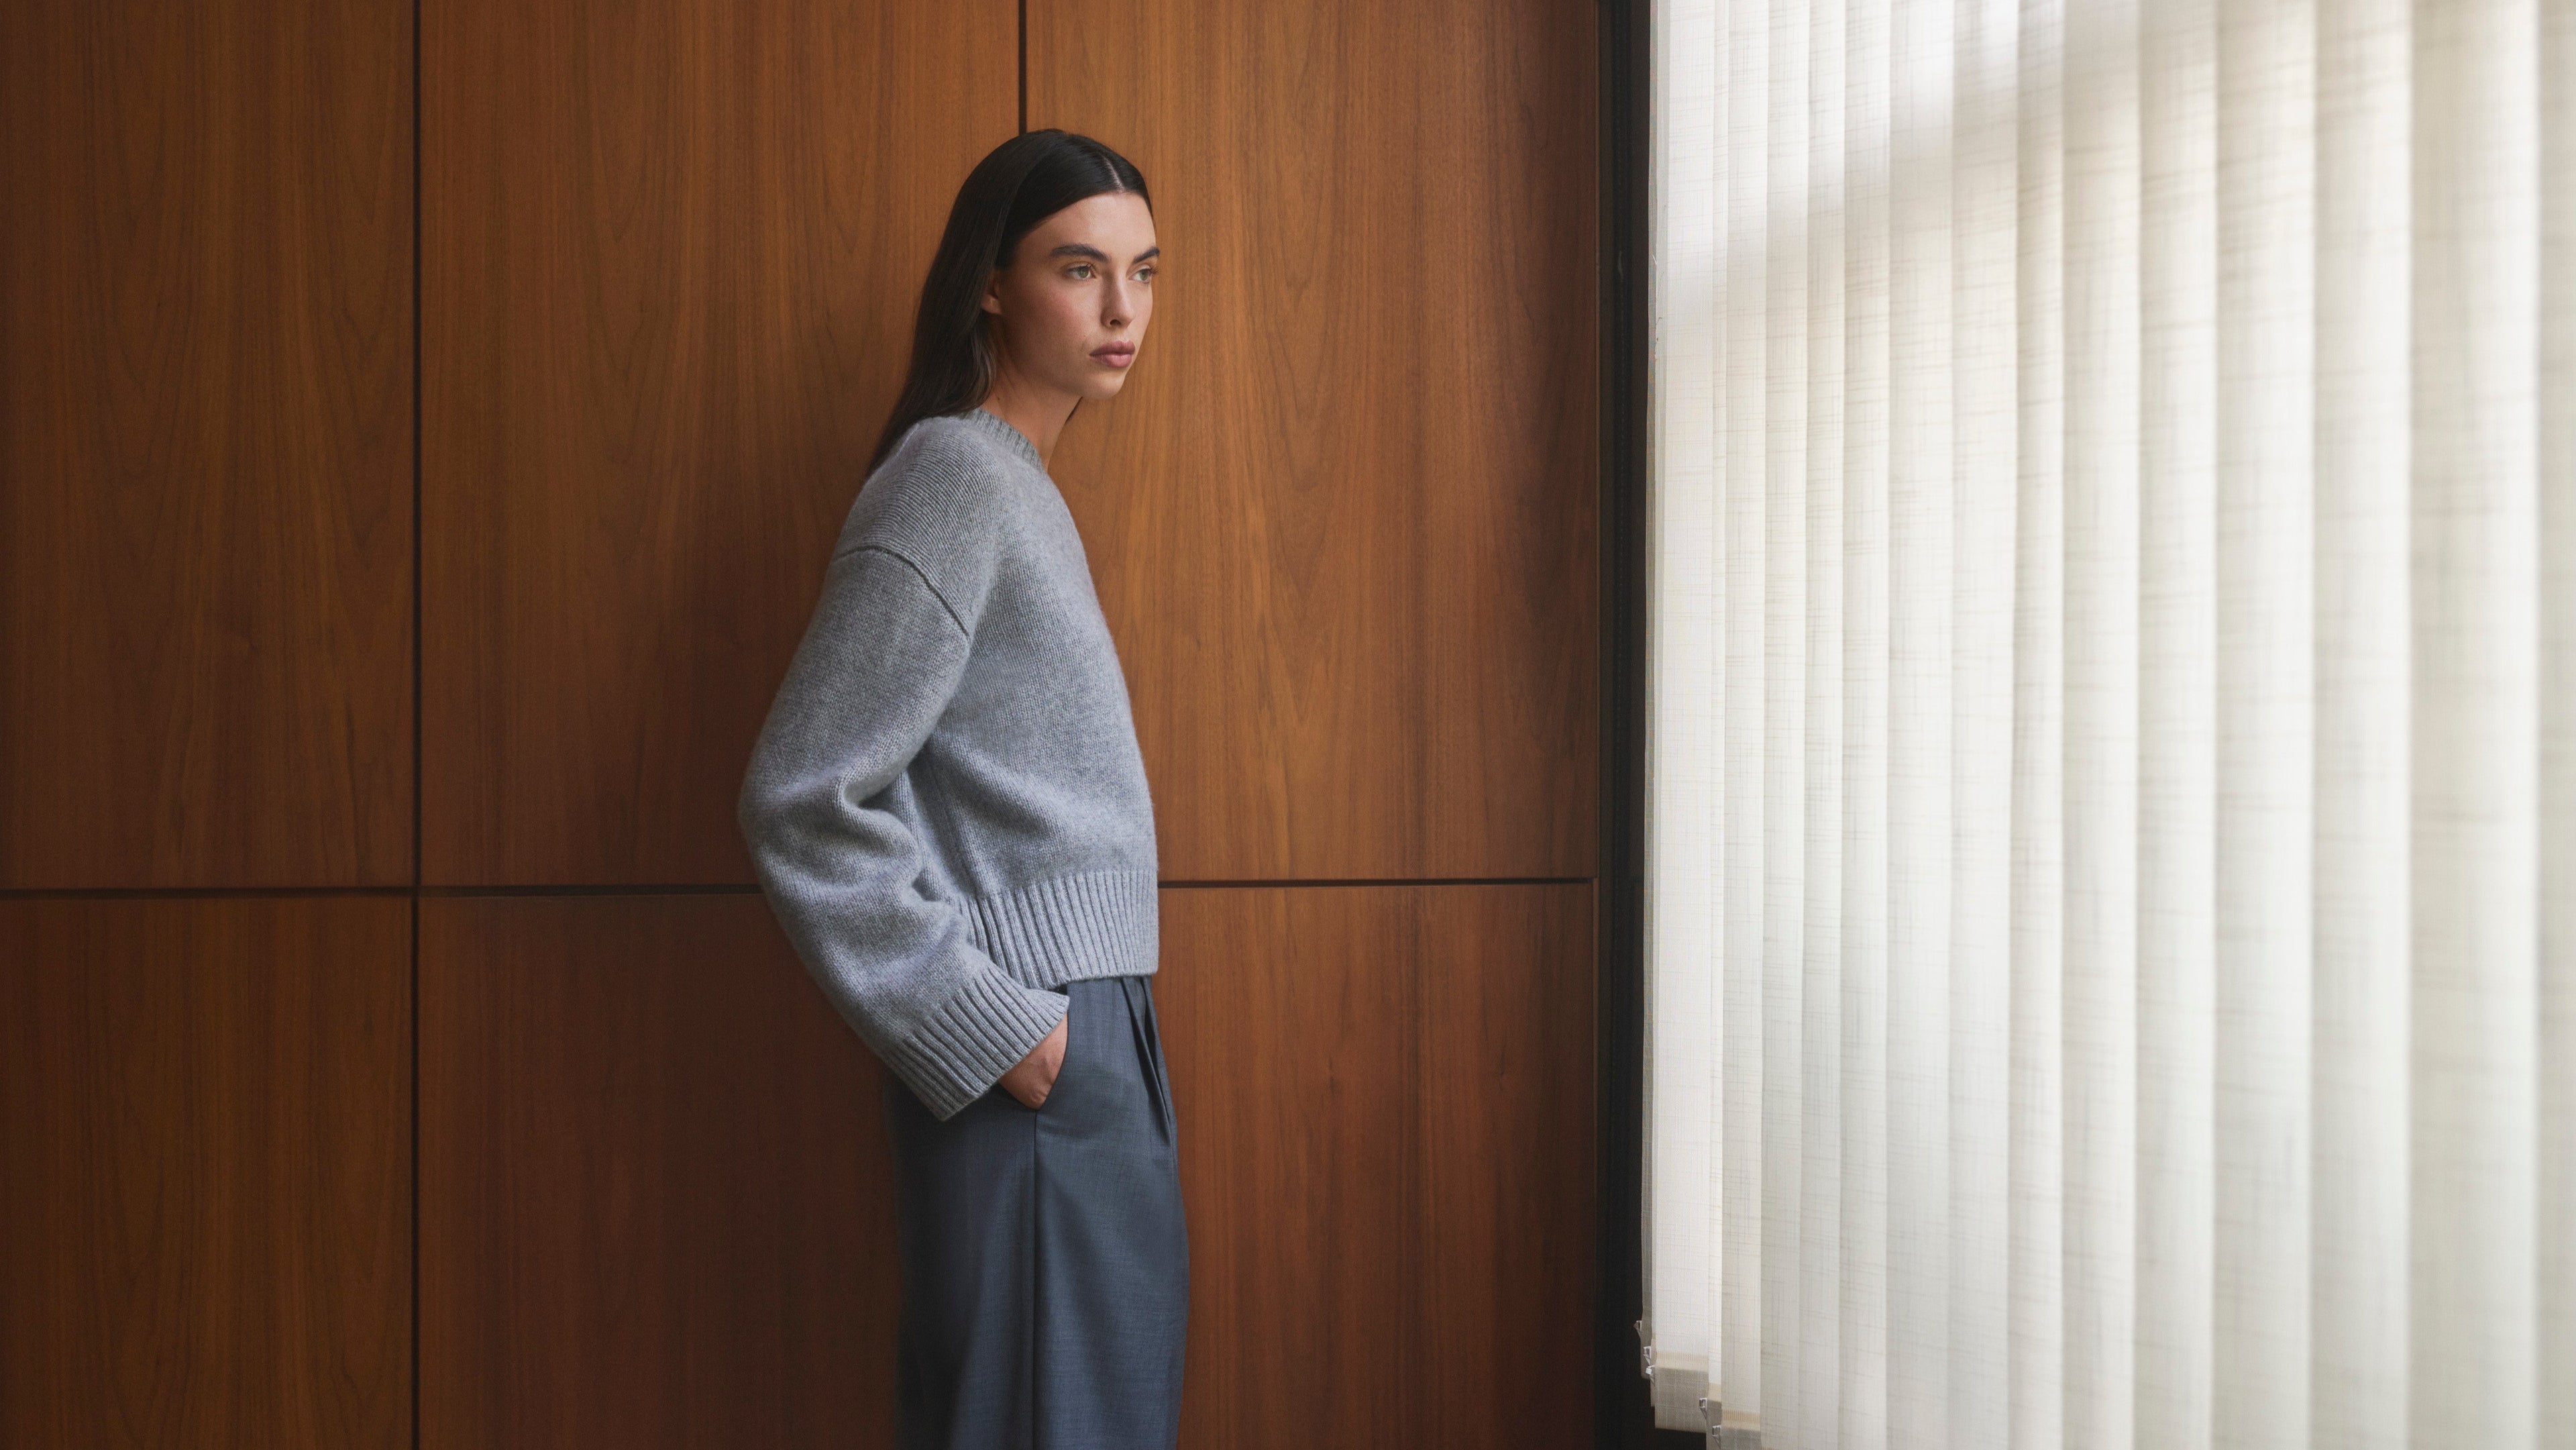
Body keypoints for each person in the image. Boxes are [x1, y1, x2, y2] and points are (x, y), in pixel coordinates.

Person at [737, 128, 1183, 1449]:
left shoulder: (1014, 487)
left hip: (1091, 1039)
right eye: (1080, 269)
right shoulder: (954, 478)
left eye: (1145, 272)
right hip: (1036, 1051)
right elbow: (800, 793)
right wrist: (995, 1025)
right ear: (991, 283)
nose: (1122, 311)